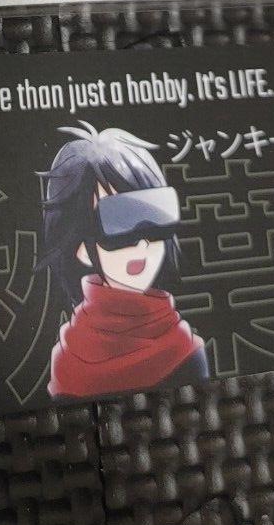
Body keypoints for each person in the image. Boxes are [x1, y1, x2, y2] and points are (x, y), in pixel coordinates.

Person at [40, 121, 208, 399]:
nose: (142, 241)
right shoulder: (67, 361)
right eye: (118, 219)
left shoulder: (186, 350)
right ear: (81, 247)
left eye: (154, 216)